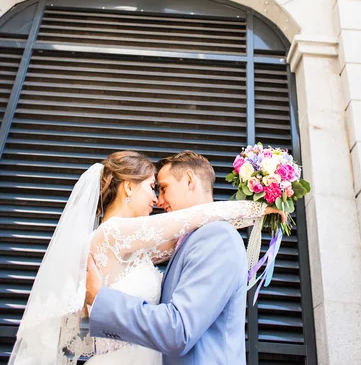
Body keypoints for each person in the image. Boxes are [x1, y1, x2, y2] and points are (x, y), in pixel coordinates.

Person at [9, 150, 283, 365]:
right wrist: (255, 208)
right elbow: (194, 217)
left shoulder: (161, 246)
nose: (157, 200)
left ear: (189, 181)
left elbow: (185, 230)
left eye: (161, 188)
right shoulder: (114, 232)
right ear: (128, 187)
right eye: (153, 187)